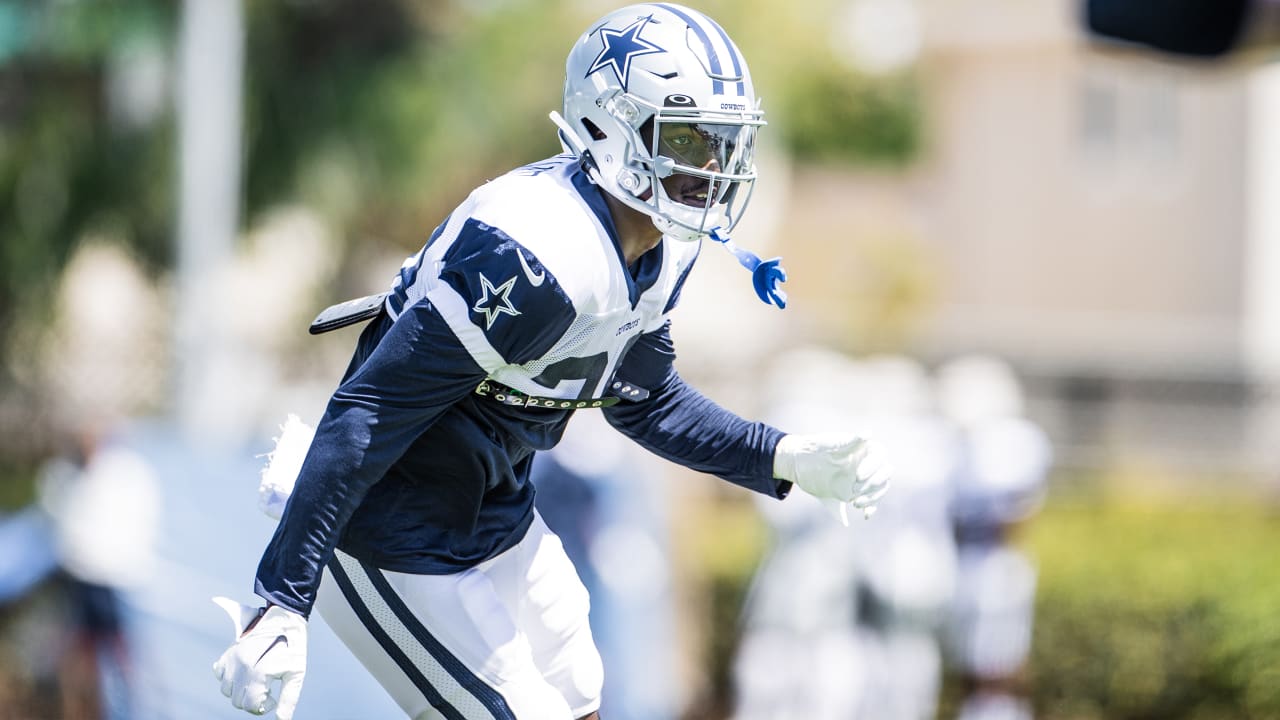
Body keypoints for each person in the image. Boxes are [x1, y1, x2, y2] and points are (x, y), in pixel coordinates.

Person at [212, 4, 891, 719]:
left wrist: (779, 456)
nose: (712, 166)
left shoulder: (659, 249)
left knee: (579, 701)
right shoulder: (538, 251)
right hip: (390, 532)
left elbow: (642, 397)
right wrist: (280, 600)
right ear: (609, 124)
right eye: (690, 138)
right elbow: (369, 410)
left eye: (723, 142)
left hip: (495, 516)